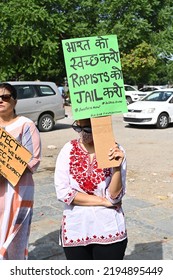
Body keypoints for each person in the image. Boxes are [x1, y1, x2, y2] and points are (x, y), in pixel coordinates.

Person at [54, 118, 127, 260]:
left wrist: (117, 167)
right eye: (78, 128)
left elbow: (114, 197)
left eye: (87, 129)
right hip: (76, 228)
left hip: (109, 229)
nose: (82, 134)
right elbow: (63, 193)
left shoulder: (116, 151)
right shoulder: (68, 150)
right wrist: (102, 201)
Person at [0, 83, 41, 260]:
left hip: (17, 192)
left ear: (15, 101)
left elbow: (33, 159)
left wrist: (5, 168)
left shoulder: (26, 125)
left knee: (15, 239)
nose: (0, 100)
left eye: (5, 97)